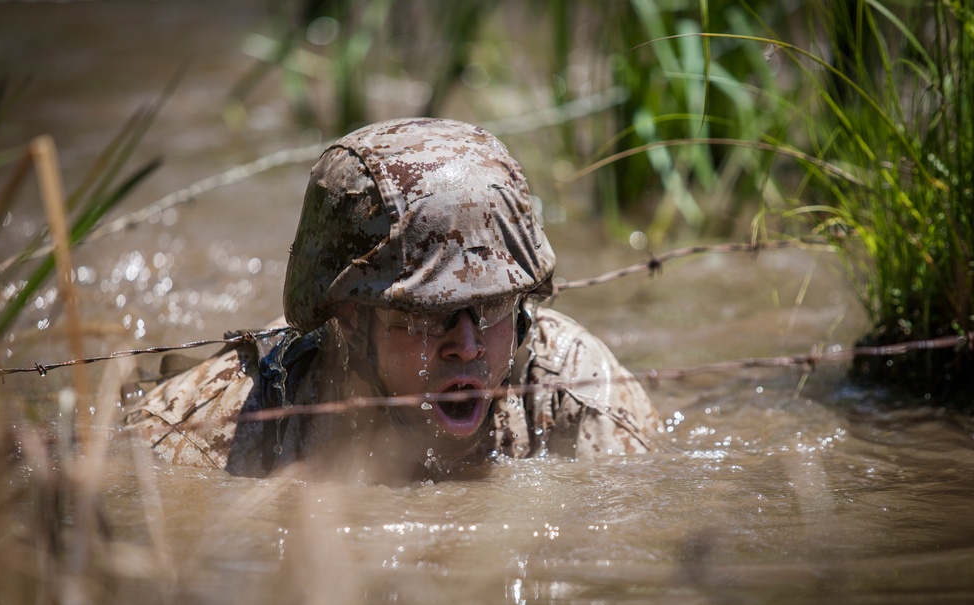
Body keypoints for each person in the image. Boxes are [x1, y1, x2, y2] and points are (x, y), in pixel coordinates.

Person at [125, 117, 660, 483]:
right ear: (351, 320)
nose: (467, 344)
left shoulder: (576, 391)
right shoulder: (221, 420)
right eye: (427, 315)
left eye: (495, 304)